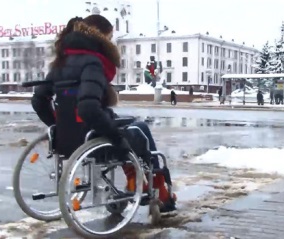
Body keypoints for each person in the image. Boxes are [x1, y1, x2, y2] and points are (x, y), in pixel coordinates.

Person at [31, 15, 176, 212]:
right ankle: (157, 188)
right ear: (100, 37)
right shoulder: (93, 63)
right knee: (139, 129)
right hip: (91, 136)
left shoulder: (61, 63)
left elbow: (39, 100)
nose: (110, 42)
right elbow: (88, 108)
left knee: (131, 123)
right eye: (109, 37)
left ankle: (137, 181)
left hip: (68, 138)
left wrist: (58, 126)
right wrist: (115, 136)